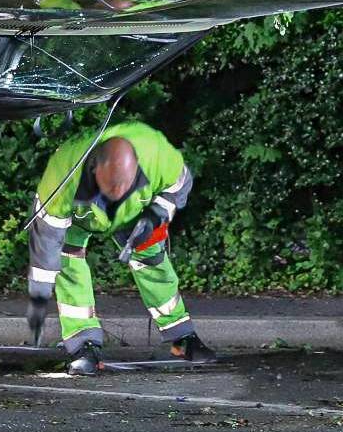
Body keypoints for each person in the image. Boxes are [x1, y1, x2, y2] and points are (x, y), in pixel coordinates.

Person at [23, 120, 218, 375]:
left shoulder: (157, 154)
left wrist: (156, 215)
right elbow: (46, 242)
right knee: (67, 259)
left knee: (151, 257)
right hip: (80, 216)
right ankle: (83, 345)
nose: (117, 193)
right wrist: (39, 296)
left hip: (136, 211)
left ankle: (182, 337)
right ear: (95, 170)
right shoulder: (61, 179)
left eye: (123, 186)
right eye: (111, 187)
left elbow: (179, 186)